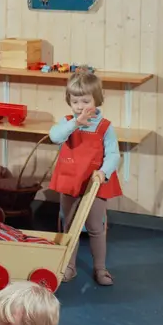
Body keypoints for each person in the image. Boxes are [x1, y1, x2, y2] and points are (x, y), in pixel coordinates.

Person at [48, 67, 121, 286]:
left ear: (96, 100)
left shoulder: (105, 127)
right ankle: (70, 266)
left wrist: (103, 172)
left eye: (86, 101)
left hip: (95, 184)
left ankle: (100, 268)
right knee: (69, 225)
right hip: (71, 181)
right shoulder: (67, 122)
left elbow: (114, 154)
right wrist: (74, 123)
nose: (80, 106)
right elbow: (55, 137)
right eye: (75, 102)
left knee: (96, 228)